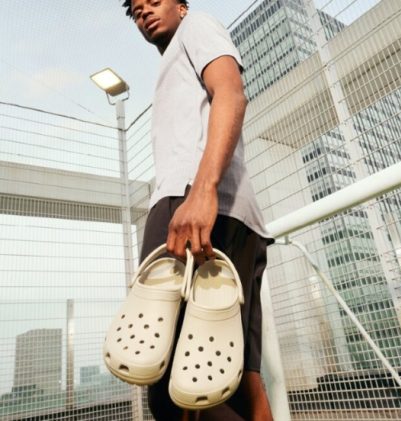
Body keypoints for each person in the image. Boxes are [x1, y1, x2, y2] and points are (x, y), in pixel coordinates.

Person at [121, 1, 274, 420]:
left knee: (169, 381)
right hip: (230, 213)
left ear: (182, 7)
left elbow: (231, 93)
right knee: (239, 380)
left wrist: (202, 192)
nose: (144, 13)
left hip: (193, 204)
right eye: (136, 10)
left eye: (154, 1)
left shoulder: (198, 27)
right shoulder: (174, 59)